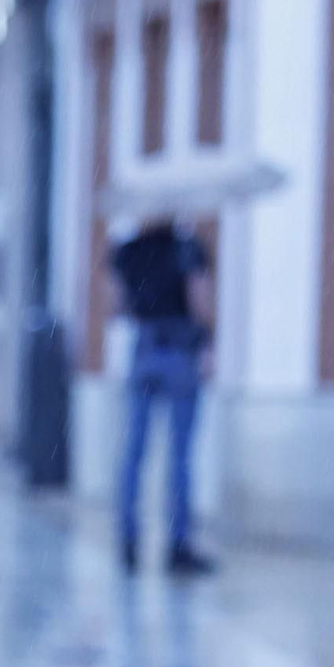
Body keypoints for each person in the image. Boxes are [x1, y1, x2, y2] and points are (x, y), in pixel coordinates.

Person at [109, 214, 216, 575]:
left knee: (134, 451)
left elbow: (116, 305)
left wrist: (146, 296)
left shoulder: (126, 251)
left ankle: (128, 541)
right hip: (180, 350)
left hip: (143, 348)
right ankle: (178, 545)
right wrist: (206, 342)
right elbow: (200, 302)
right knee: (180, 455)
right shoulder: (188, 248)